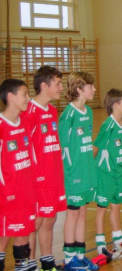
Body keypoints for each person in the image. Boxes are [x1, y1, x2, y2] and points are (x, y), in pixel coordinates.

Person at [20, 66, 67, 271]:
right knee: (35, 222)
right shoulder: (28, 112)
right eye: (57, 83)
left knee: (51, 219)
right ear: (43, 85)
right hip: (37, 179)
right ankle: (29, 262)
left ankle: (47, 261)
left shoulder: (53, 110)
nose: (61, 87)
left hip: (54, 176)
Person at [58, 72, 99, 270]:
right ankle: (68, 260)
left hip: (87, 173)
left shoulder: (89, 112)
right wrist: (67, 174)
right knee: (72, 215)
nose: (94, 89)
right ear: (79, 89)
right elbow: (62, 150)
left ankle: (80, 255)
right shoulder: (68, 115)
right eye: (91, 86)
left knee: (83, 213)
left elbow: (87, 143)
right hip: (73, 175)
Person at [93, 89, 122, 260]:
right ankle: (100, 246)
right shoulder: (108, 125)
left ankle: (119, 241)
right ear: (115, 105)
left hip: (118, 172)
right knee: (101, 209)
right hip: (105, 173)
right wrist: (89, 171)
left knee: (117, 206)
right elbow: (96, 149)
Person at [0, 79, 36, 271]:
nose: (28, 99)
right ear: (10, 97)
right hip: (8, 195)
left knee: (24, 231)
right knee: (5, 235)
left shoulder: (26, 122)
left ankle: (23, 266)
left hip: (27, 191)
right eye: (25, 94)